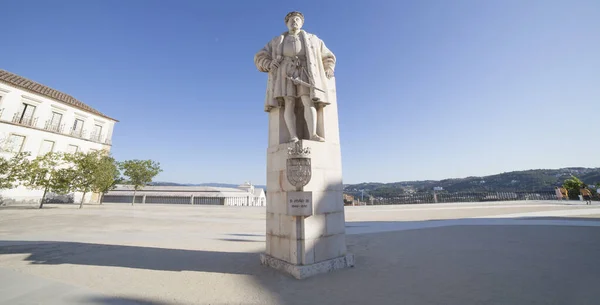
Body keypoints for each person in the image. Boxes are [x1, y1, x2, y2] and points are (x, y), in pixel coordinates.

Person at [255, 11, 336, 143]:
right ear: (286, 24)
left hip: (305, 71)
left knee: (307, 100)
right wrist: (269, 63)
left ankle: (313, 134)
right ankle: (293, 135)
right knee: (289, 102)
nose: (294, 22)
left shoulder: (313, 39)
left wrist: (329, 68)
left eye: (297, 19)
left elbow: (328, 56)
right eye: (291, 20)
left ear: (302, 23)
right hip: (285, 73)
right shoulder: (277, 41)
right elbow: (260, 56)